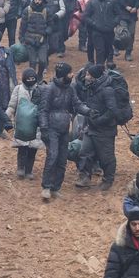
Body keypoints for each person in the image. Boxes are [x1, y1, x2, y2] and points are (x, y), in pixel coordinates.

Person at [38, 62, 90, 198]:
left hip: (65, 128)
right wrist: (44, 128)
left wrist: (89, 111)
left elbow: (77, 104)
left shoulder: (70, 89)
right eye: (69, 73)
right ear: (63, 75)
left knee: (62, 159)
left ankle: (56, 187)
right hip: (51, 128)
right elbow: (43, 110)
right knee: (52, 156)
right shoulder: (49, 89)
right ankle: (46, 186)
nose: (72, 75)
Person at [75, 64, 119, 190]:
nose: (86, 77)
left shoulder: (107, 90)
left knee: (106, 157)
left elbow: (112, 111)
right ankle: (84, 178)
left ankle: (108, 180)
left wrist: (99, 121)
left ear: (95, 77)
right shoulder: (90, 88)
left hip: (105, 130)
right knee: (85, 153)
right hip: (91, 128)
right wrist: (85, 126)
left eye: (89, 75)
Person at [5, 68, 43, 182]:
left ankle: (29, 170)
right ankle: (20, 167)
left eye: (33, 78)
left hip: (35, 125)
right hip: (21, 124)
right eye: (28, 78)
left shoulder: (40, 89)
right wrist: (6, 118)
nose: (30, 80)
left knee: (33, 148)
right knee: (22, 147)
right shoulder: (18, 89)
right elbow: (12, 105)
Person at [82, 0, 119, 68]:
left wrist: (113, 23)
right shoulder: (91, 2)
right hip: (96, 31)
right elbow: (86, 16)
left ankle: (107, 63)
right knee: (100, 50)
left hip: (109, 30)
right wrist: (94, 24)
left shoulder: (112, 1)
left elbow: (118, 14)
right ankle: (99, 67)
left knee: (108, 49)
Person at [19, 0, 50, 80]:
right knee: (32, 62)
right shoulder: (27, 10)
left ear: (42, 0)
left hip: (42, 40)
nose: (37, 1)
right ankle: (31, 78)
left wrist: (47, 32)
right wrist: (22, 39)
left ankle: (40, 76)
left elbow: (51, 25)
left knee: (43, 61)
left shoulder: (47, 11)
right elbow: (22, 26)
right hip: (30, 39)